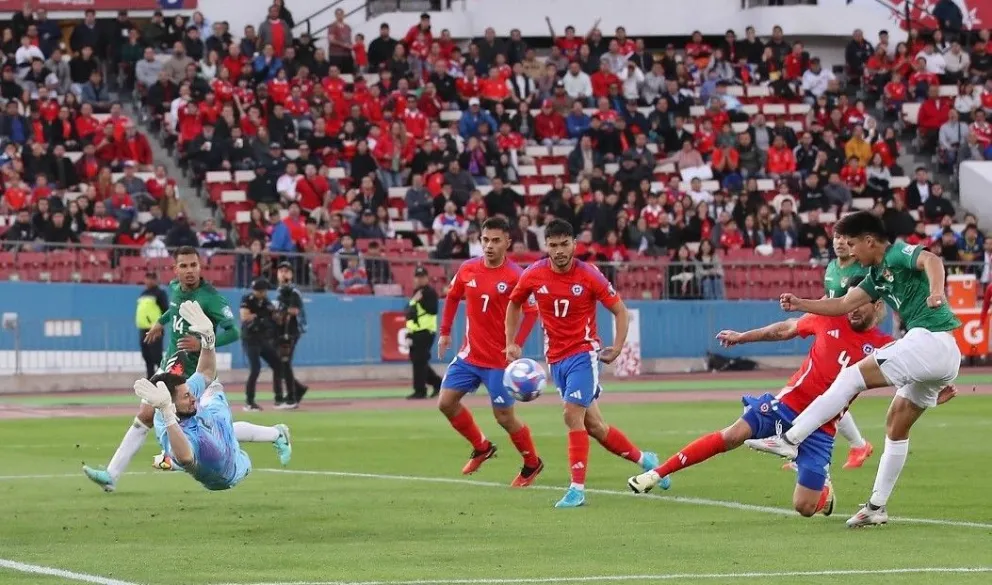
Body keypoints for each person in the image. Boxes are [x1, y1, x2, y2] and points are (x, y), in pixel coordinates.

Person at [748, 211, 962, 527]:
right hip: (940, 354)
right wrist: (801, 303)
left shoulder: (895, 253)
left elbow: (931, 260)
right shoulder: (875, 277)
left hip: (930, 340)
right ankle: (876, 507)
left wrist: (936, 291)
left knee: (849, 377)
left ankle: (791, 438)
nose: (849, 250)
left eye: (852, 243)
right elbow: (842, 305)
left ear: (869, 241)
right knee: (896, 423)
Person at [628, 281, 909, 517]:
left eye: (861, 302)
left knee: (805, 507)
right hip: (785, 407)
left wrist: (936, 386)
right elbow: (783, 329)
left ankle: (824, 490)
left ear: (877, 305)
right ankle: (657, 473)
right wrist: (742, 338)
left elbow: (911, 372)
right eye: (850, 300)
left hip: (821, 429)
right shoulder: (828, 318)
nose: (854, 308)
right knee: (732, 435)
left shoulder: (884, 347)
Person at [505, 218, 663, 508]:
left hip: (584, 355)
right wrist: (511, 341)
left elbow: (620, 311)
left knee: (571, 415)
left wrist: (616, 348)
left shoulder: (589, 275)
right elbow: (514, 303)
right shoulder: (533, 274)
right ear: (546, 247)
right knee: (596, 427)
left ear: (575, 245)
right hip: (556, 361)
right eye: (553, 245)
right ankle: (646, 461)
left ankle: (577, 489)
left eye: (565, 244)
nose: (559, 251)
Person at [82, 246, 240, 491]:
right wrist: (160, 321)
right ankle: (112, 475)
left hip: (197, 370)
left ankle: (271, 436)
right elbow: (175, 309)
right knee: (146, 413)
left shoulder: (211, 298)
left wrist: (202, 343)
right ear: (175, 269)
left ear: (200, 267)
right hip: (173, 365)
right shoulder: (175, 289)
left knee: (214, 426)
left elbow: (234, 331)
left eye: (194, 265)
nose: (189, 271)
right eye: (184, 266)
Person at [132, 300, 292, 490]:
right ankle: (276, 433)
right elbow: (186, 458)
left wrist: (208, 340)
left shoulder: (185, 396)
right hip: (229, 470)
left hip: (213, 417)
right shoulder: (174, 430)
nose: (192, 396)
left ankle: (277, 434)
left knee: (211, 390)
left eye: (189, 393)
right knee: (214, 439)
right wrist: (166, 412)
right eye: (185, 397)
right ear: (171, 406)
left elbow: (206, 373)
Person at [437, 217, 542, 486]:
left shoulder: (517, 276)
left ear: (508, 242)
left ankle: (532, 464)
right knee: (446, 403)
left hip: (499, 361)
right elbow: (451, 297)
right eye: (485, 240)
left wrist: (516, 343)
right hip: (470, 355)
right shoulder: (468, 268)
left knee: (504, 418)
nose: (489, 246)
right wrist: (445, 331)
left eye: (496, 240)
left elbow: (531, 311)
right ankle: (482, 447)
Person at [783, 234, 874, 471]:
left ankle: (812, 449)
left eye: (846, 238)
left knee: (828, 393)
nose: (840, 242)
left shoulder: (861, 268)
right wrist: (812, 312)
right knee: (827, 393)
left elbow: (861, 301)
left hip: (850, 334)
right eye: (836, 237)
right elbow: (829, 299)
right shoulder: (832, 267)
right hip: (831, 331)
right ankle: (856, 446)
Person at [240, 277, 283, 411]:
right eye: (263, 290)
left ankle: (279, 398)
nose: (265, 293)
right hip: (250, 339)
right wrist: (260, 316)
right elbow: (245, 317)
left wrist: (274, 315)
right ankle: (249, 402)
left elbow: (275, 317)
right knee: (255, 369)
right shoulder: (248, 299)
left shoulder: (266, 302)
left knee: (277, 364)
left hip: (262, 338)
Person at [273, 262, 309, 408]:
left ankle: (293, 397)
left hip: (291, 331)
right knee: (282, 364)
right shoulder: (280, 290)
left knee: (284, 363)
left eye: (286, 271)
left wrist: (279, 313)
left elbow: (294, 311)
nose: (283, 273)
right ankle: (298, 390)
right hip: (282, 331)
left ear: (291, 274)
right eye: (281, 271)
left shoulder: (293, 291)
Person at [407, 266, 443, 399]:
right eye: (417, 277)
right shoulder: (416, 292)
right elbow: (409, 311)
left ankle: (420, 390)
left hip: (426, 331)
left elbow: (433, 310)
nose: (419, 279)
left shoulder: (429, 292)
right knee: (418, 361)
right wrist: (408, 333)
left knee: (419, 360)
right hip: (415, 332)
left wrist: (419, 300)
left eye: (422, 277)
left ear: (427, 278)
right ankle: (437, 382)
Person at [136, 271, 168, 379]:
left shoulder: (160, 293)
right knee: (147, 356)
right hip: (143, 329)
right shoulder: (143, 293)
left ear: (156, 280)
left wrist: (160, 326)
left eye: (151, 278)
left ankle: (162, 379)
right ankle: (150, 378)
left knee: (156, 356)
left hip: (155, 329)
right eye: (147, 278)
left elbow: (165, 310)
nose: (149, 281)